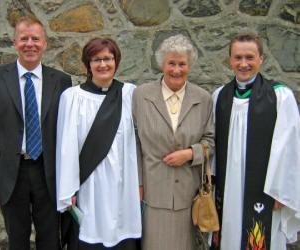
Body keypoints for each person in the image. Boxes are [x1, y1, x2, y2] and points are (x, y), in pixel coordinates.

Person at [0, 16, 72, 249]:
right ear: (15, 42)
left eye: (36, 39)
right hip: (11, 171)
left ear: (45, 44)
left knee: (50, 239)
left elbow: (68, 132)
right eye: (24, 39)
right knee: (17, 239)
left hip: (48, 172)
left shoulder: (61, 81)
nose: (30, 44)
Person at [211, 32, 300, 250]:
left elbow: (289, 148)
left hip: (267, 192)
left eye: (250, 57)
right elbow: (212, 148)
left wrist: (283, 192)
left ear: (261, 58)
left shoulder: (280, 96)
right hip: (228, 187)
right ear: (230, 60)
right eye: (237, 58)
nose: (243, 64)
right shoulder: (219, 97)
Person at [56, 37, 141, 250]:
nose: (103, 65)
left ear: (116, 61)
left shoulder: (130, 94)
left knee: (122, 234)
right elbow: (66, 149)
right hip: (89, 186)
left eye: (108, 59)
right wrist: (68, 191)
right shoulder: (72, 98)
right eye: (96, 59)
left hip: (123, 184)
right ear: (88, 64)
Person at [132, 34, 215, 250]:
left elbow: (211, 141)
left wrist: (190, 153)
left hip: (189, 195)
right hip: (152, 193)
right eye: (171, 63)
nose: (176, 70)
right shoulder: (141, 96)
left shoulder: (203, 98)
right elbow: (133, 144)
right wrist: (139, 184)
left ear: (190, 65)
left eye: (182, 64)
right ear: (162, 64)